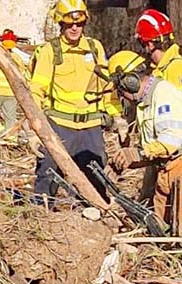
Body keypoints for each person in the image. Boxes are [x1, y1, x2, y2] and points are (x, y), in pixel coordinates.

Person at [106, 51, 182, 257]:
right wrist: (123, 162)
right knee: (161, 224)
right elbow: (153, 149)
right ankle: (178, 263)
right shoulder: (146, 102)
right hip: (166, 165)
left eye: (120, 90)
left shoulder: (163, 95)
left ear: (130, 81)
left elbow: (169, 142)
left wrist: (135, 153)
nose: (121, 97)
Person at [29, 0, 119, 202]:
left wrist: (117, 116)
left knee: (96, 177)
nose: (75, 28)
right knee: (48, 172)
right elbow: (36, 91)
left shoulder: (95, 48)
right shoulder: (50, 51)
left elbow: (107, 86)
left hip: (90, 128)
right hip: (59, 127)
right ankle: (40, 216)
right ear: (61, 24)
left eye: (79, 24)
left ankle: (95, 218)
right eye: (70, 24)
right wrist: (34, 131)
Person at [133, 8, 182, 205]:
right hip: (163, 152)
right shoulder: (160, 69)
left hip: (179, 154)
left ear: (149, 43)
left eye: (141, 43)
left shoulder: (176, 69)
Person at [0, 29, 29, 139]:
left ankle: (0, 132)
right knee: (10, 117)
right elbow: (23, 74)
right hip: (12, 93)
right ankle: (11, 139)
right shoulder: (17, 58)